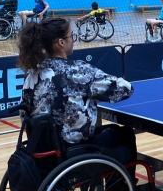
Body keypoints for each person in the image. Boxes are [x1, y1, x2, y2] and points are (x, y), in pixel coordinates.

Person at [18, 17, 136, 169]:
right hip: (74, 152)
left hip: (42, 152)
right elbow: (125, 89)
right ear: (61, 43)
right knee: (124, 134)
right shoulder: (77, 71)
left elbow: (24, 113)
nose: (74, 40)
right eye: (71, 36)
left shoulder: (32, 75)